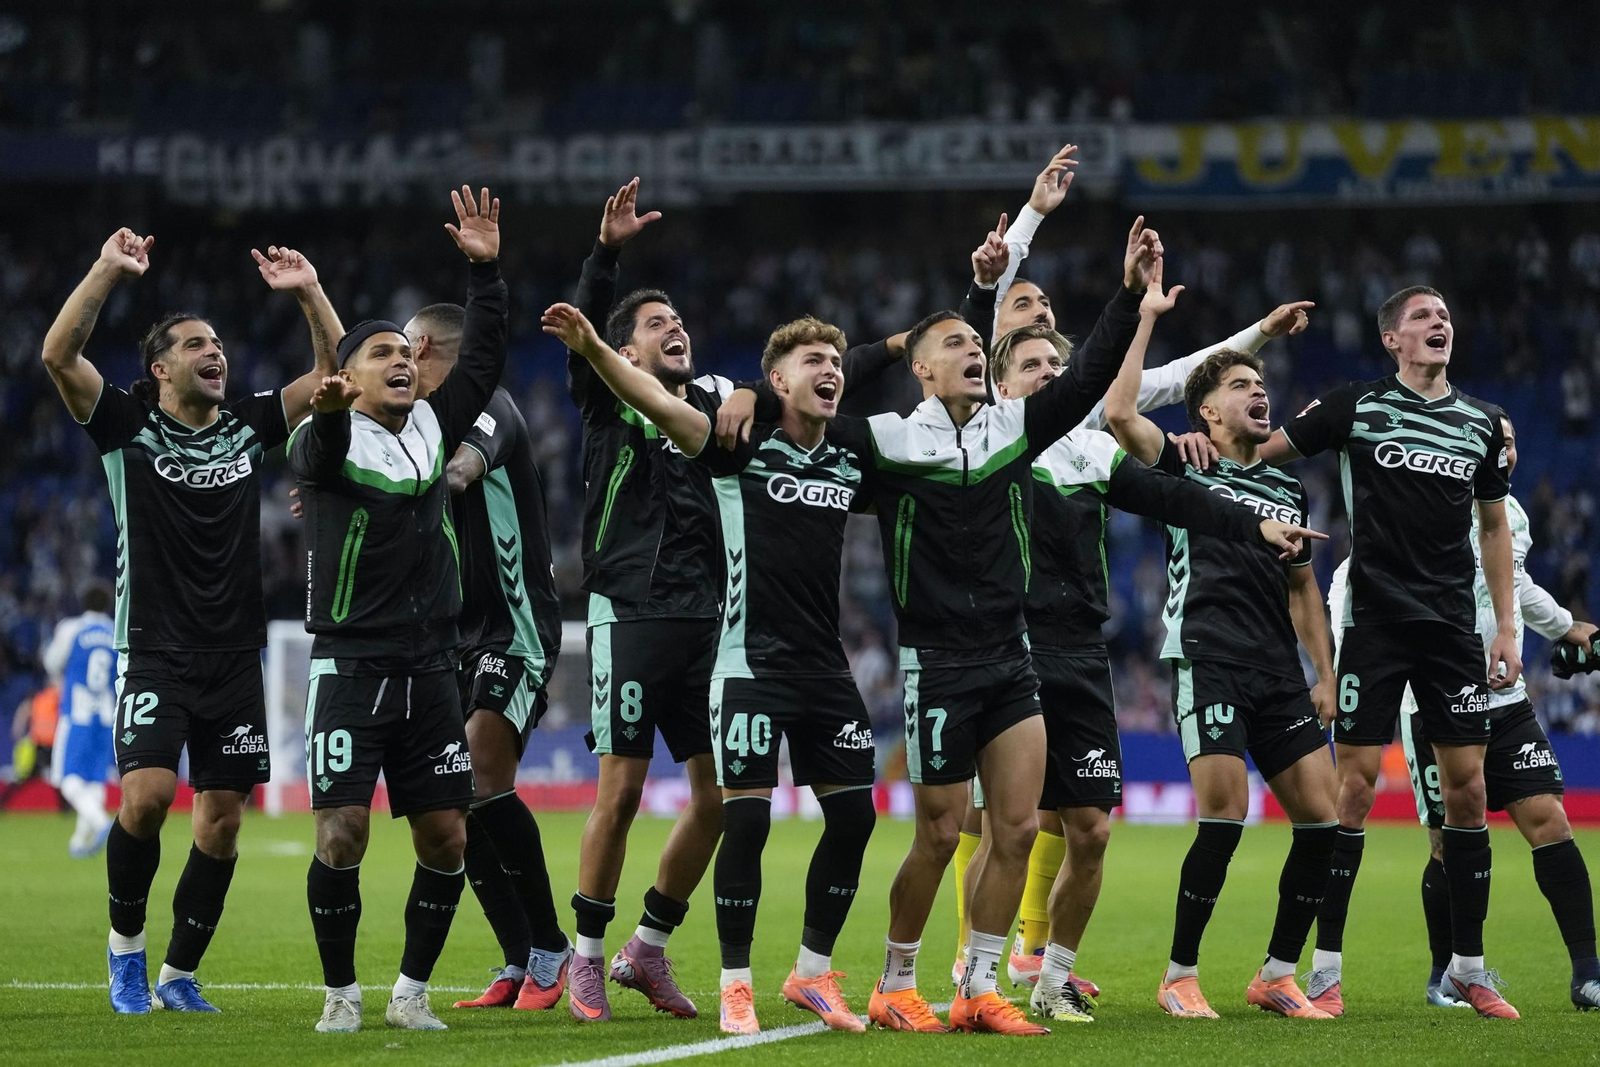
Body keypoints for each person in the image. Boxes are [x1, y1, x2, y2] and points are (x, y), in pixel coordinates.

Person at [797, 216, 1162, 1037]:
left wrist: (1130, 293)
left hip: (1013, 658)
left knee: (1021, 826)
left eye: (977, 340)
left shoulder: (1011, 430)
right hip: (937, 663)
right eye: (956, 342)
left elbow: (1085, 377)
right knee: (935, 833)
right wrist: (806, 374)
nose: (972, 348)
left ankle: (979, 984)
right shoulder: (885, 442)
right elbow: (813, 411)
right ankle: (895, 981)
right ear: (922, 368)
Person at [561, 179, 907, 1022]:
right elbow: (583, 343)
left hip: (712, 622)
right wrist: (605, 257)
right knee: (621, 788)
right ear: (625, 348)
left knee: (721, 799)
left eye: (678, 318)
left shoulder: (723, 400)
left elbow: (810, 388)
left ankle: (648, 943)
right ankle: (586, 956)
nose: (673, 326)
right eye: (654, 323)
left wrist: (884, 348)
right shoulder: (607, 392)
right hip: (632, 612)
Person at [984, 309, 1318, 1023]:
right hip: (1009, 649)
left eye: (1054, 366)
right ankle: (974, 975)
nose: (1047, 376)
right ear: (1000, 386)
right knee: (1007, 827)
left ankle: (1053, 978)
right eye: (1031, 367)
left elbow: (1172, 493)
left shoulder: (1088, 452)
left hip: (1081, 655)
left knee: (1094, 829)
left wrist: (1250, 520)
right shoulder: (984, 446)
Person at [40, 228, 340, 1014]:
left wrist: (310, 292)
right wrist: (106, 268)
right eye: (196, 344)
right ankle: (127, 953)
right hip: (153, 648)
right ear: (160, 367)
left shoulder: (248, 425)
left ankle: (178, 971)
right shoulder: (126, 428)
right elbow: (58, 357)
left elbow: (335, 379)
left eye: (219, 344)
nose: (217, 353)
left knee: (222, 820)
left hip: (235, 654)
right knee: (144, 796)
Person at [1252, 284, 1522, 1019]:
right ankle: (1325, 969)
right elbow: (1265, 449)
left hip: (1450, 632)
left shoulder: (1478, 424)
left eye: (1445, 315)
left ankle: (1469, 966)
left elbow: (1493, 529)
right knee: (1357, 790)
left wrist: (1504, 626)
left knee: (1467, 793)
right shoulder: (1354, 407)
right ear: (1393, 341)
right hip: (1373, 623)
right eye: (1423, 318)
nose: (1441, 324)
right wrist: (1215, 424)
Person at [291, 186, 506, 1034]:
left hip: (431, 662)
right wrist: (331, 396)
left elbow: (482, 359)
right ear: (351, 372)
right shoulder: (329, 439)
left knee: (446, 837)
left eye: (407, 351)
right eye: (383, 352)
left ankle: (410, 990)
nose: (403, 360)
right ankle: (341, 990)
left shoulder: (429, 426)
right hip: (351, 662)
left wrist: (485, 273)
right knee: (342, 832)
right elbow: (326, 439)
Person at [1105, 262, 1339, 1020]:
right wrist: (1144, 317)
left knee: (1323, 817)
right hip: (1207, 655)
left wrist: (1325, 672)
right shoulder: (1181, 462)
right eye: (1240, 385)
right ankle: (1180, 973)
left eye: (1260, 384)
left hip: (1277, 666)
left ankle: (1276, 972)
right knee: (1224, 812)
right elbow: (1117, 415)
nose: (1257, 392)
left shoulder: (1286, 486)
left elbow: (1304, 586)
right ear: (1205, 411)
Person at [1328, 413, 1600, 1012]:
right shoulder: (1425, 500)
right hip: (1430, 700)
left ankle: (1588, 975)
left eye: (1509, 440)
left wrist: (1565, 626)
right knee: (1449, 842)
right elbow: (1352, 579)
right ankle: (1444, 974)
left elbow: (1516, 584)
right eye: (1492, 440)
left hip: (1504, 697)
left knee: (1550, 819)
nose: (1503, 449)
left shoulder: (1512, 516)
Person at [422, 299, 573, 1013]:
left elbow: (456, 473)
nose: (395, 366)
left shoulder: (493, 407)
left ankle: (552, 945)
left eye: (403, 354)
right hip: (456, 637)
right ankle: (519, 956)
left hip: (514, 627)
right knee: (456, 802)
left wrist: (390, 486)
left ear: (425, 349)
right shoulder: (412, 430)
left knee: (481, 776)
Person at [45, 583, 119, 858]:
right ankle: (79, 840)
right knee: (95, 778)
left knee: (68, 779)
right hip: (106, 713)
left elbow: (52, 662)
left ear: (83, 602)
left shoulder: (71, 628)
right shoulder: (115, 630)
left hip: (77, 711)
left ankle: (100, 822)